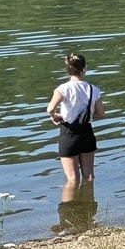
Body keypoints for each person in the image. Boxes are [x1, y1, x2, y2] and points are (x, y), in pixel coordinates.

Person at [46, 53, 105, 185]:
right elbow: (100, 114)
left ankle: (71, 205)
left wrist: (54, 116)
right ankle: (89, 203)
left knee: (72, 179)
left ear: (68, 69)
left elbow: (50, 109)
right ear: (84, 69)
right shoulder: (93, 89)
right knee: (89, 176)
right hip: (87, 132)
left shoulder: (63, 89)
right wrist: (87, 115)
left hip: (69, 133)